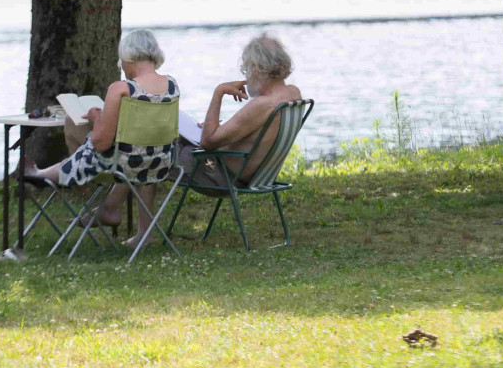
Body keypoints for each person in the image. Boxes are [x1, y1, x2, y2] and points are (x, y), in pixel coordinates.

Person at [83, 33, 302, 235]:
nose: (246, 75)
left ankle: (134, 227)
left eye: (247, 69)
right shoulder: (291, 94)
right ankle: (115, 210)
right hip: (249, 172)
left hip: (219, 175)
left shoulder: (261, 105)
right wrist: (220, 126)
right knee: (158, 140)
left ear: (257, 68)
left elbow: (208, 141)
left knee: (149, 146)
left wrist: (219, 92)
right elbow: (253, 134)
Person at [23, 29, 179, 245]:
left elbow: (100, 142)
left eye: (121, 60)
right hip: (159, 164)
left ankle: (41, 174)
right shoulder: (172, 86)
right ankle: (144, 233)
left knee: (89, 145)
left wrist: (98, 118)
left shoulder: (121, 88)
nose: (122, 66)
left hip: (125, 166)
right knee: (141, 148)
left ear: (129, 56)